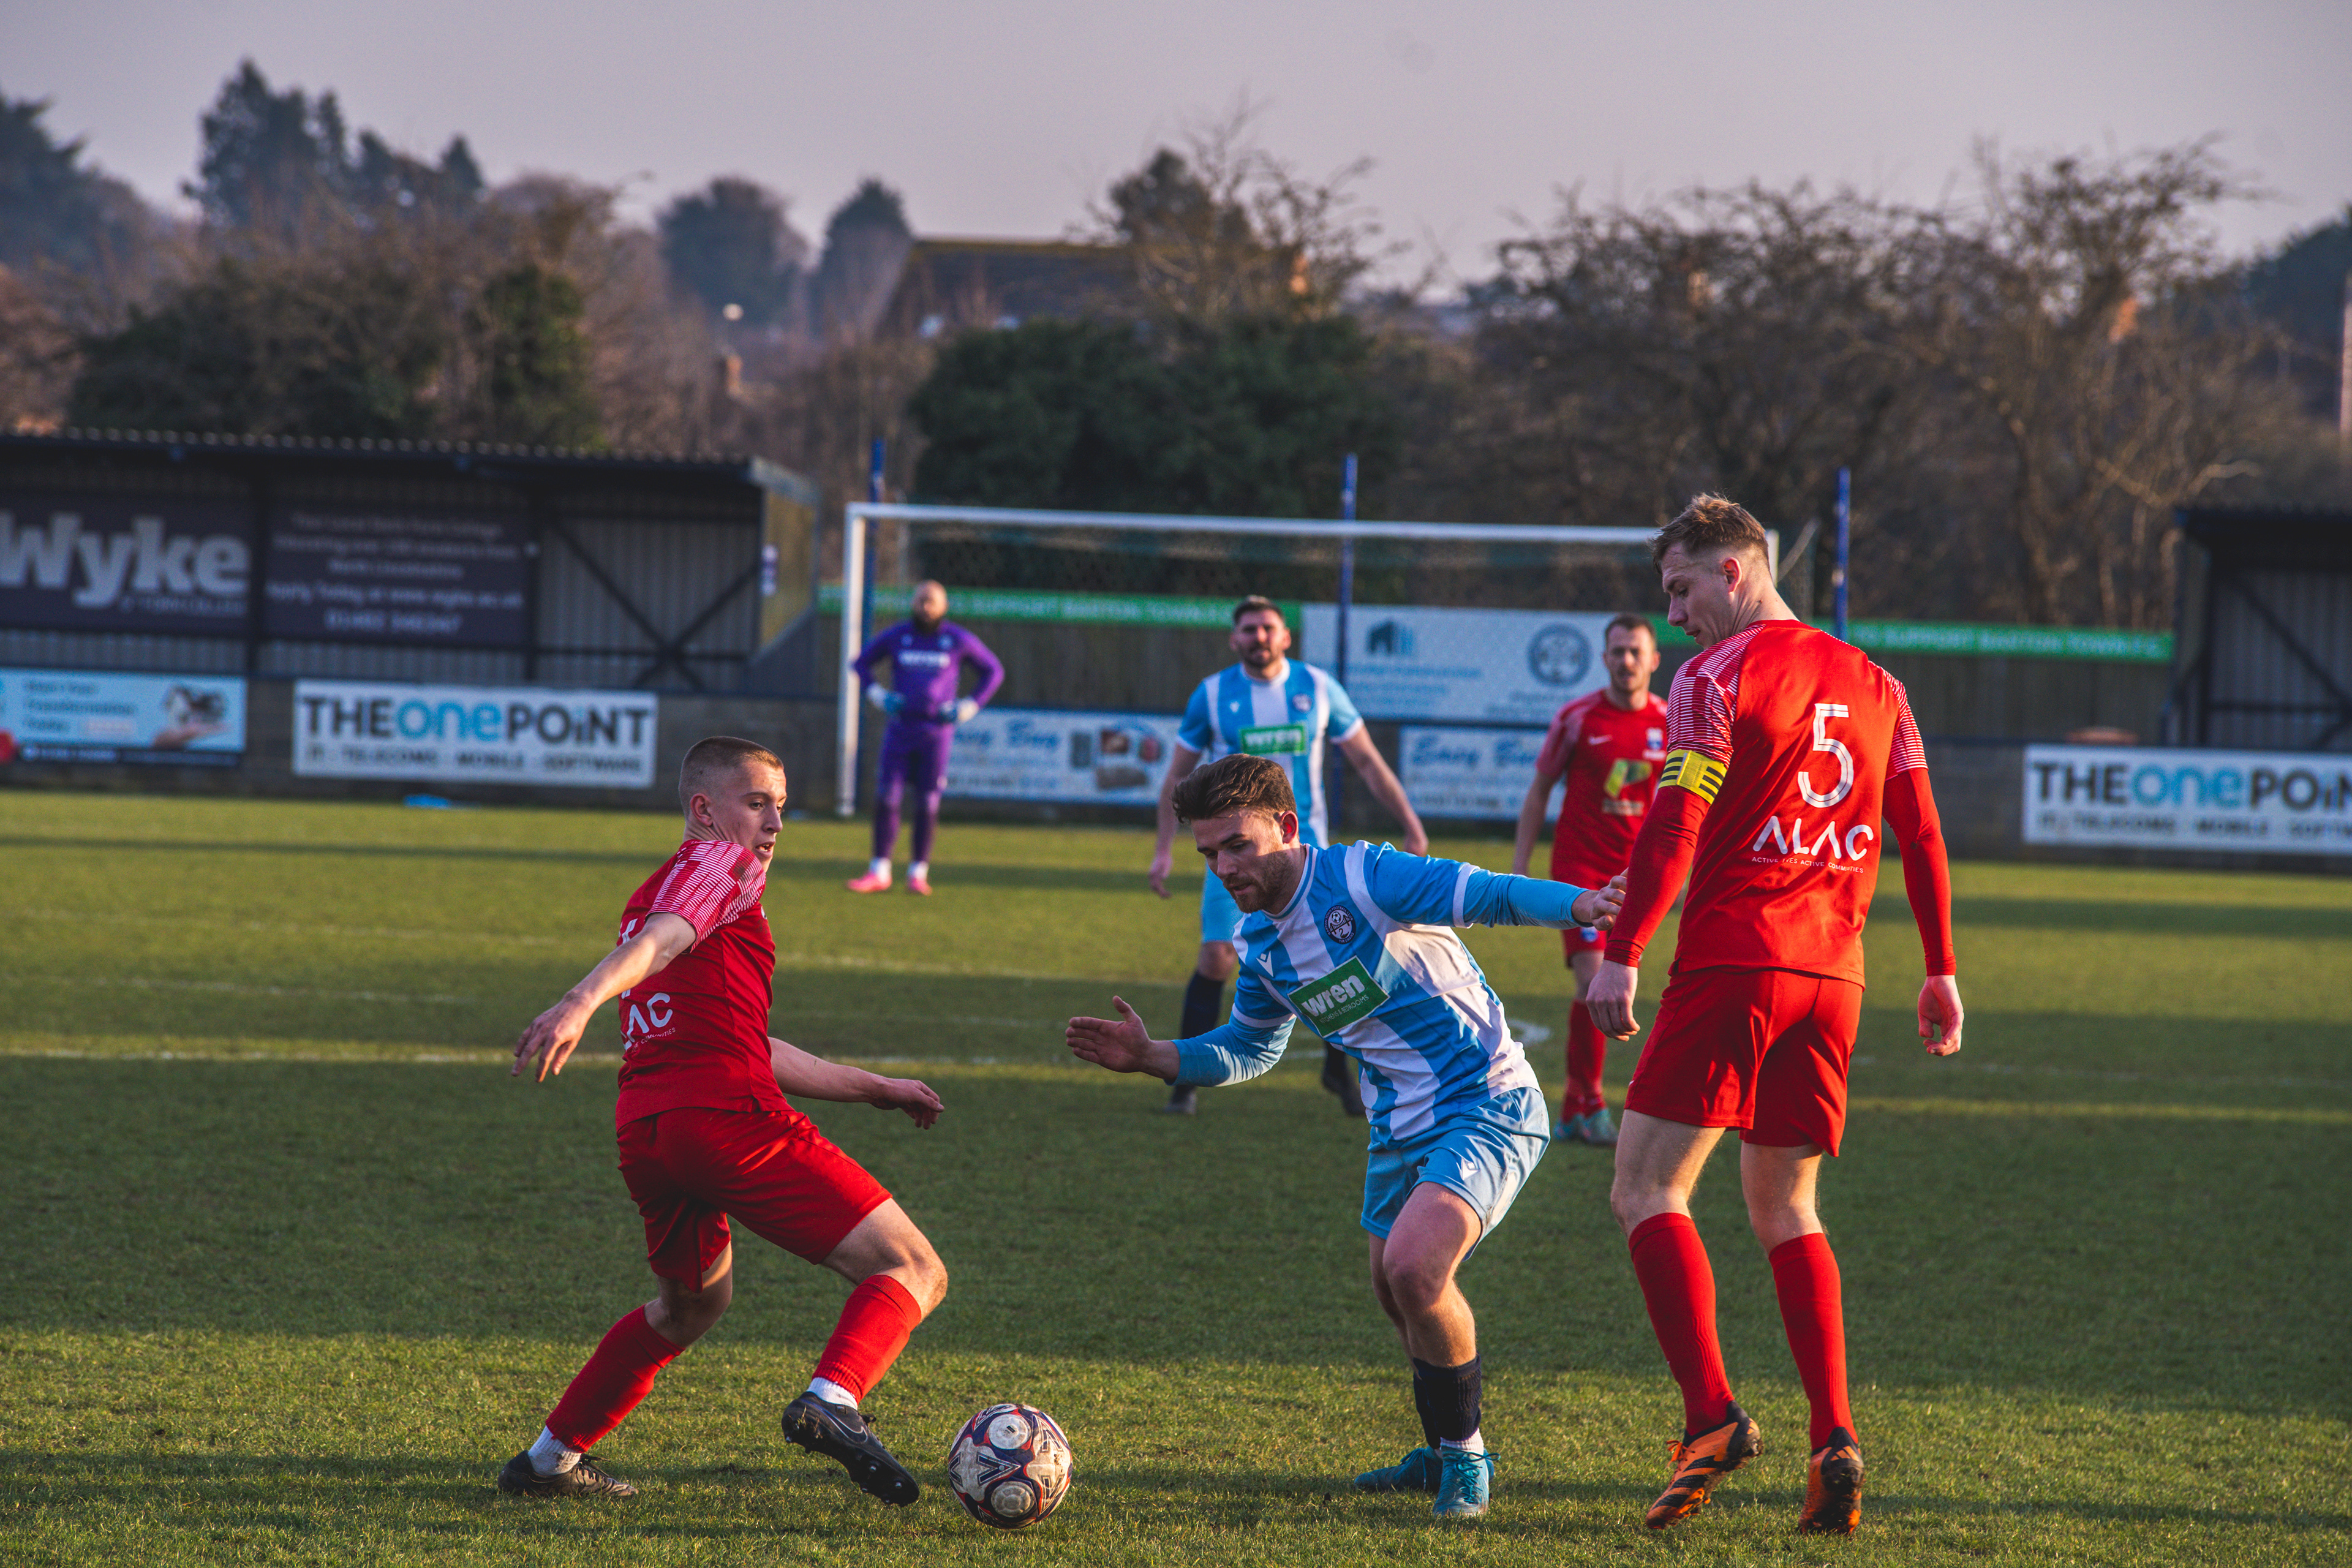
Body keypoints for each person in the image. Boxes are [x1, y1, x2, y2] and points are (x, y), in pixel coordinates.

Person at [1071, 753, 1624, 1520]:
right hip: (1395, 1127)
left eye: (1237, 845)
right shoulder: (1260, 943)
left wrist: (1583, 904)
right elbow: (1251, 1047)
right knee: (1395, 1294)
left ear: (1287, 826)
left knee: (1416, 1269)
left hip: (1486, 1099)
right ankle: (1440, 1450)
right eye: (1208, 853)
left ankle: (1467, 1461)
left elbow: (1487, 893)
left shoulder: (1366, 878)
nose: (1224, 867)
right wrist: (1154, 1056)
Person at [1582, 496, 1962, 1537]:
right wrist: (1940, 969)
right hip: (1835, 980)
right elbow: (1924, 834)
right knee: (1788, 1208)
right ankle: (1834, 1437)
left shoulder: (1716, 677)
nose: (1674, 619)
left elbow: (1677, 816)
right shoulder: (1882, 684)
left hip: (1735, 962)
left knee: (1645, 1187)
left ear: (1735, 571)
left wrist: (1622, 951)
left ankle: (1710, 1417)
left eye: (1681, 590)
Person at [499, 736, 950, 1506]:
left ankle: (547, 1461)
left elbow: (745, 1039)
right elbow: (662, 943)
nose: (775, 822)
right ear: (705, 809)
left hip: (650, 1131)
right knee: (911, 1267)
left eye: (781, 805)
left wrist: (872, 1086)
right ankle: (835, 1399)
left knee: (691, 1306)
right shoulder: (721, 865)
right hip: (727, 1120)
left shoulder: (655, 891)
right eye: (757, 802)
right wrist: (579, 1000)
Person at [1147, 595, 1427, 1117]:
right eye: (1249, 629)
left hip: (1306, 851)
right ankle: (1184, 1082)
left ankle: (1339, 1070)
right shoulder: (1212, 695)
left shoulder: (1319, 688)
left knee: (1337, 955)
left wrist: (1411, 824)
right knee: (1216, 958)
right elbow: (1177, 777)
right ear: (1234, 639)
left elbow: (1368, 762)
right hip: (1236, 851)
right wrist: (1163, 850)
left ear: (1285, 636)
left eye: (1268, 627)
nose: (1259, 637)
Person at [1510, 613, 1670, 1147]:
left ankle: (1574, 1110)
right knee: (1592, 977)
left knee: (1599, 986)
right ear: (1604, 658)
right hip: (1579, 871)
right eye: (1617, 651)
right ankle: (1594, 1103)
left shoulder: (1671, 721)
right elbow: (1539, 791)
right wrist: (1520, 867)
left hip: (1635, 877)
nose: (1626, 660)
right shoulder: (1577, 718)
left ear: (1653, 660)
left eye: (1635, 651)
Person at [846, 580, 1005, 895]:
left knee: (928, 803)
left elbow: (993, 671)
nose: (926, 607)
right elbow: (861, 663)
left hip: (936, 734)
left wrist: (969, 706)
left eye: (932, 601)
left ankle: (918, 873)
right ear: (913, 603)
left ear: (944, 606)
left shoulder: (956, 639)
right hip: (900, 730)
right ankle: (879, 870)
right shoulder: (898, 636)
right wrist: (878, 695)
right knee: (887, 797)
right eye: (921, 600)